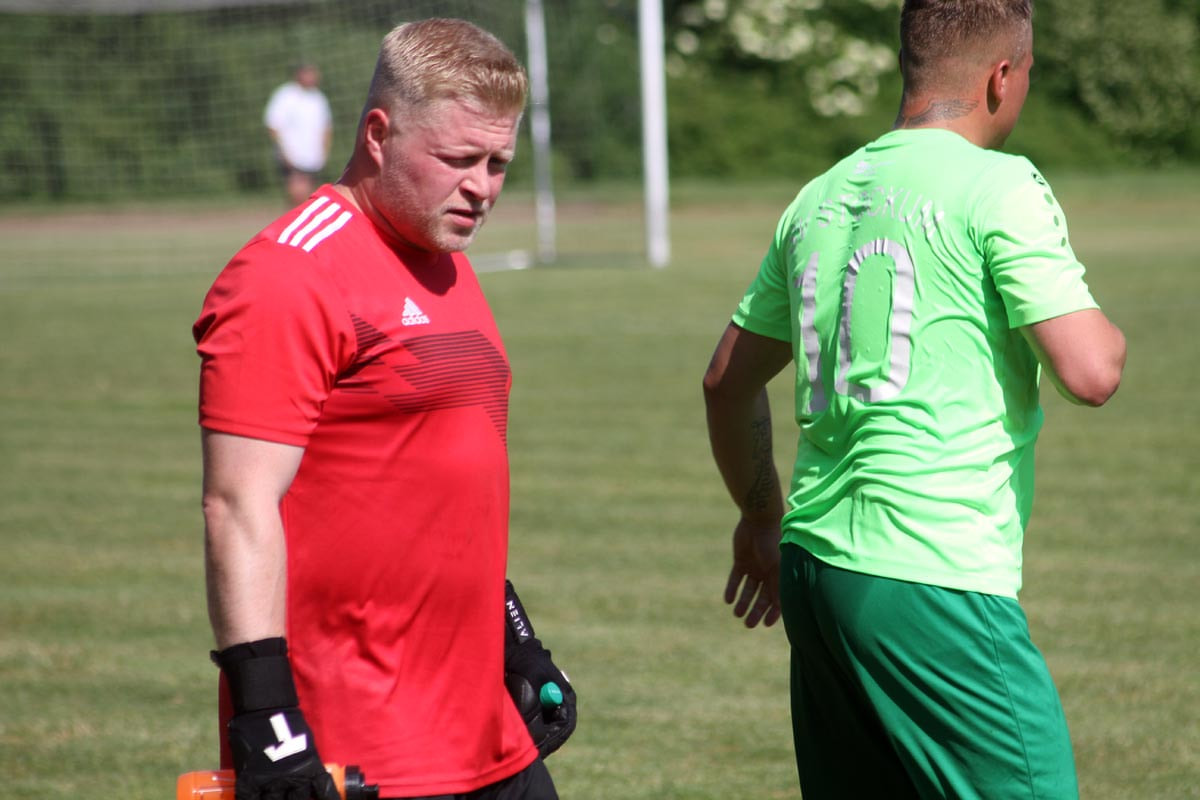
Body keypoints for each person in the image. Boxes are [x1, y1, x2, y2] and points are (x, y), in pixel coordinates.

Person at [702, 1, 1126, 797]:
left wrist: (762, 516)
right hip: (930, 579)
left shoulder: (820, 194)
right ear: (1003, 77)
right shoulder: (999, 184)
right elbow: (1091, 371)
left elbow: (726, 380)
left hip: (814, 569)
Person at [195, 19, 575, 800]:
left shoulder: (443, 260)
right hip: (357, 750)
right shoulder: (287, 277)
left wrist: (518, 644)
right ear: (378, 133)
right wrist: (266, 719)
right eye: (459, 159)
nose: (483, 186)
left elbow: (441, 486)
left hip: (485, 733)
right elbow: (238, 505)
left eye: (498, 163)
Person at [264, 61, 333, 206]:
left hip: (313, 158)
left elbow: (326, 127)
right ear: (299, 74)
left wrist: (324, 152)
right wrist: (283, 152)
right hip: (293, 156)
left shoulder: (318, 98)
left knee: (311, 198)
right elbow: (273, 125)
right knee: (297, 195)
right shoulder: (285, 95)